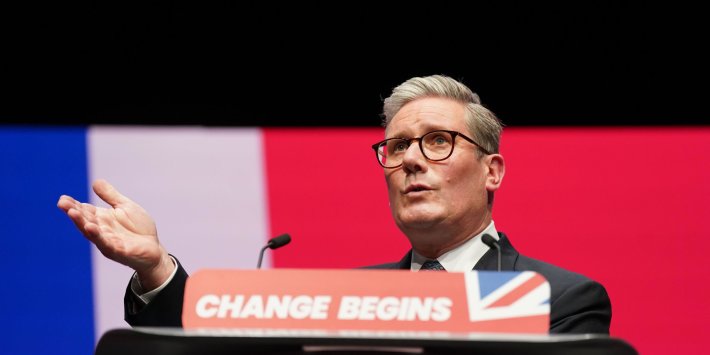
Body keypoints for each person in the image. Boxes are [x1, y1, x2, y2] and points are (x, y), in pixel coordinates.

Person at [57, 74, 611, 334]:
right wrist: (155, 268)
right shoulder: (347, 304)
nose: (412, 161)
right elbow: (218, 348)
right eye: (396, 147)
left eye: (438, 141)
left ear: (492, 170)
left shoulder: (554, 301)